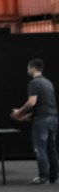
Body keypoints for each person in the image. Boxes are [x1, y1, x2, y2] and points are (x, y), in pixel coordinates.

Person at [11, 57, 58, 185]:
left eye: (28, 68)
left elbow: (32, 102)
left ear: (32, 68)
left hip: (42, 121)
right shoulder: (48, 83)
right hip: (53, 119)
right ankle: (54, 177)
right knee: (51, 149)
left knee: (40, 148)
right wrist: (27, 117)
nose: (27, 70)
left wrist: (18, 113)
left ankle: (43, 177)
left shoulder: (34, 83)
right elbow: (45, 105)